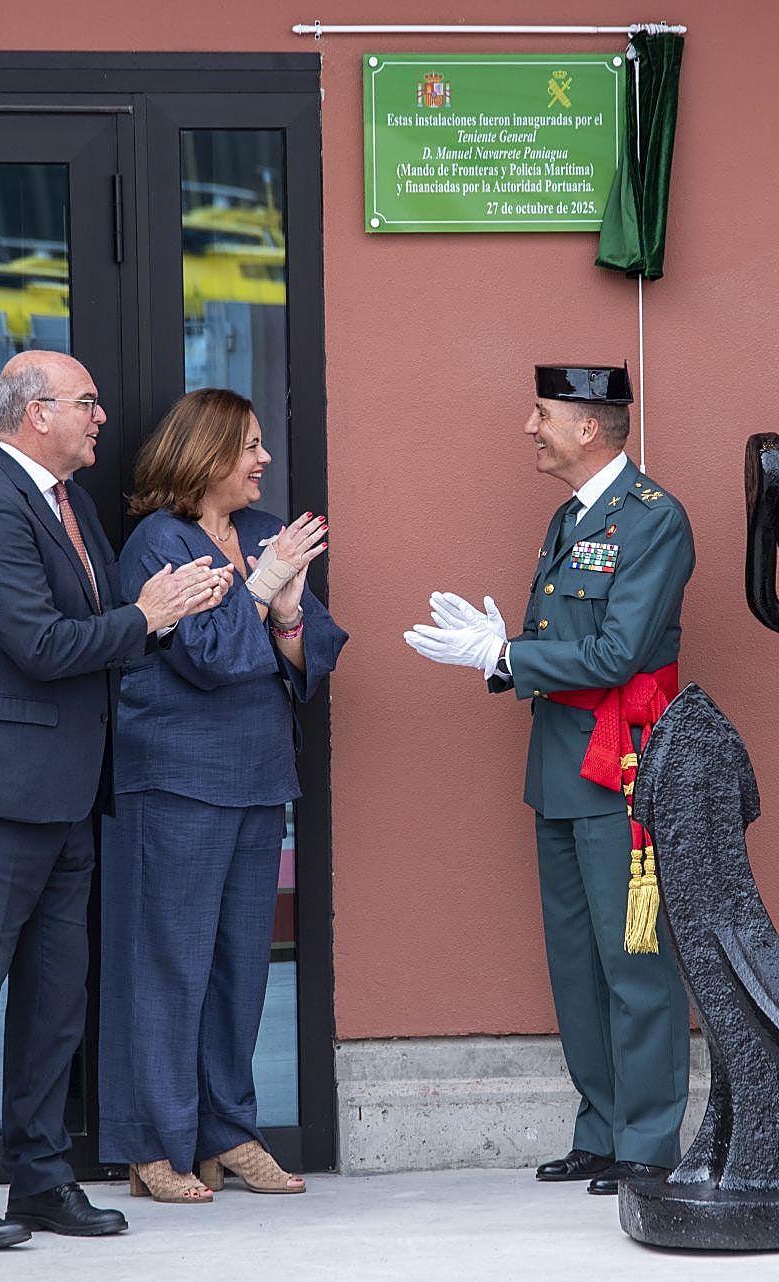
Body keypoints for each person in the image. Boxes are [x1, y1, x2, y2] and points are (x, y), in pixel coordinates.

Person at [0, 350, 231, 1251]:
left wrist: (171, 614)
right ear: (36, 412)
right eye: (87, 402)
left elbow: (101, 633)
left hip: (63, 795)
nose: (102, 416)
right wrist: (148, 618)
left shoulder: (70, 504)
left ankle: (41, 1181)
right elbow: (44, 646)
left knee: (54, 1002)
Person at [405, 364, 694, 1196]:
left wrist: (506, 657)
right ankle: (600, 1130)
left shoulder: (651, 519)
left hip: (619, 765)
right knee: (576, 962)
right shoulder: (572, 515)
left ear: (587, 429)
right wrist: (506, 657)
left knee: (633, 961)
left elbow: (617, 655)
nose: (530, 428)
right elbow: (568, 643)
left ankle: (646, 1143)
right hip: (561, 767)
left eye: (542, 415)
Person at [99, 387, 346, 1205]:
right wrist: (265, 589)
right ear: (205, 455)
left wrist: (283, 611)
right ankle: (154, 1145)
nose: (262, 460)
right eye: (247, 447)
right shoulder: (155, 544)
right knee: (170, 964)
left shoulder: (267, 533)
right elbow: (204, 655)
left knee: (241, 967)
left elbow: (309, 653)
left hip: (256, 777)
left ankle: (226, 1133)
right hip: (175, 780)